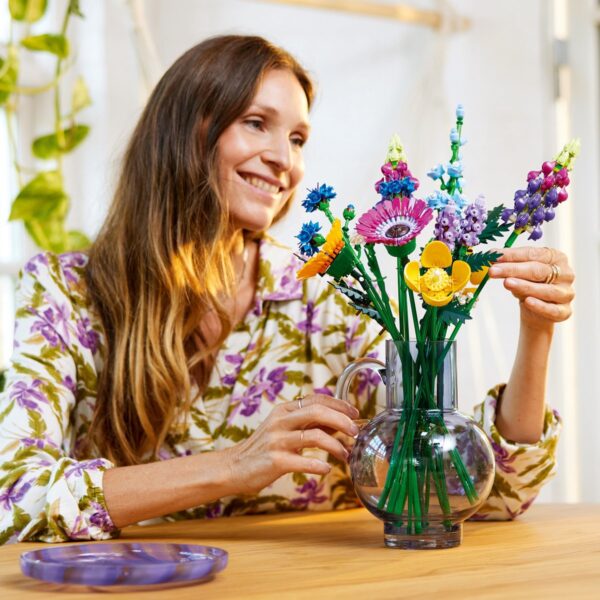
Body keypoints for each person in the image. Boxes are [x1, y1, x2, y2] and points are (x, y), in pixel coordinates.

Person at [0, 35, 573, 544]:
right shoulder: (66, 293)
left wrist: (538, 329)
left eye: (297, 137)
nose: (284, 160)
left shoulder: (334, 294)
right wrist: (233, 466)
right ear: (183, 130)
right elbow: (15, 500)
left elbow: (479, 497)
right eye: (257, 123)